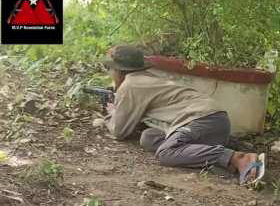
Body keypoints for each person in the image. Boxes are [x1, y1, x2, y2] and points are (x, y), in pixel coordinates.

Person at [103, 45, 265, 185]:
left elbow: (119, 131)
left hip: (201, 119)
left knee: (166, 153)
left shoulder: (130, 85)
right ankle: (220, 150)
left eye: (110, 69)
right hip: (213, 120)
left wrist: (111, 113)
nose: (110, 73)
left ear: (119, 70)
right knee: (149, 137)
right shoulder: (145, 79)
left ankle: (237, 158)